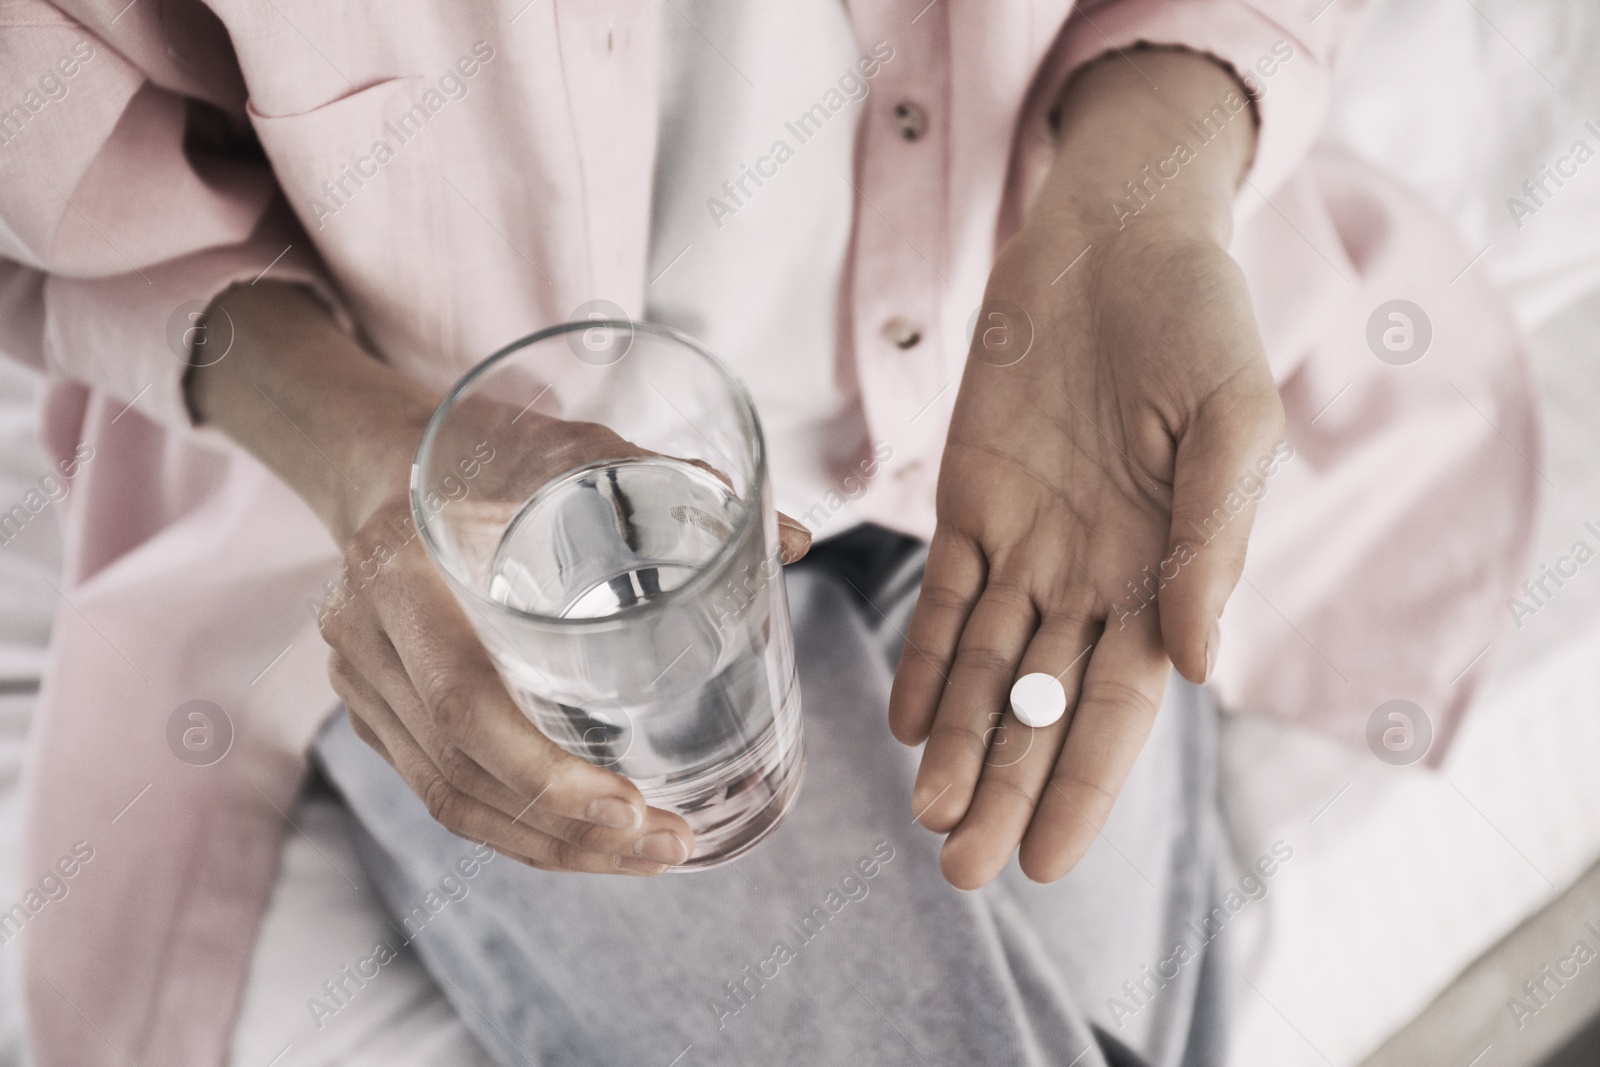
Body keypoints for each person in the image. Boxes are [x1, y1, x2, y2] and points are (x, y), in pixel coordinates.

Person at [0, 1, 1538, 1064]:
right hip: (493, 558)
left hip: (1040, 397)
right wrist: (366, 460)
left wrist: (1142, 204)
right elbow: (54, 208)